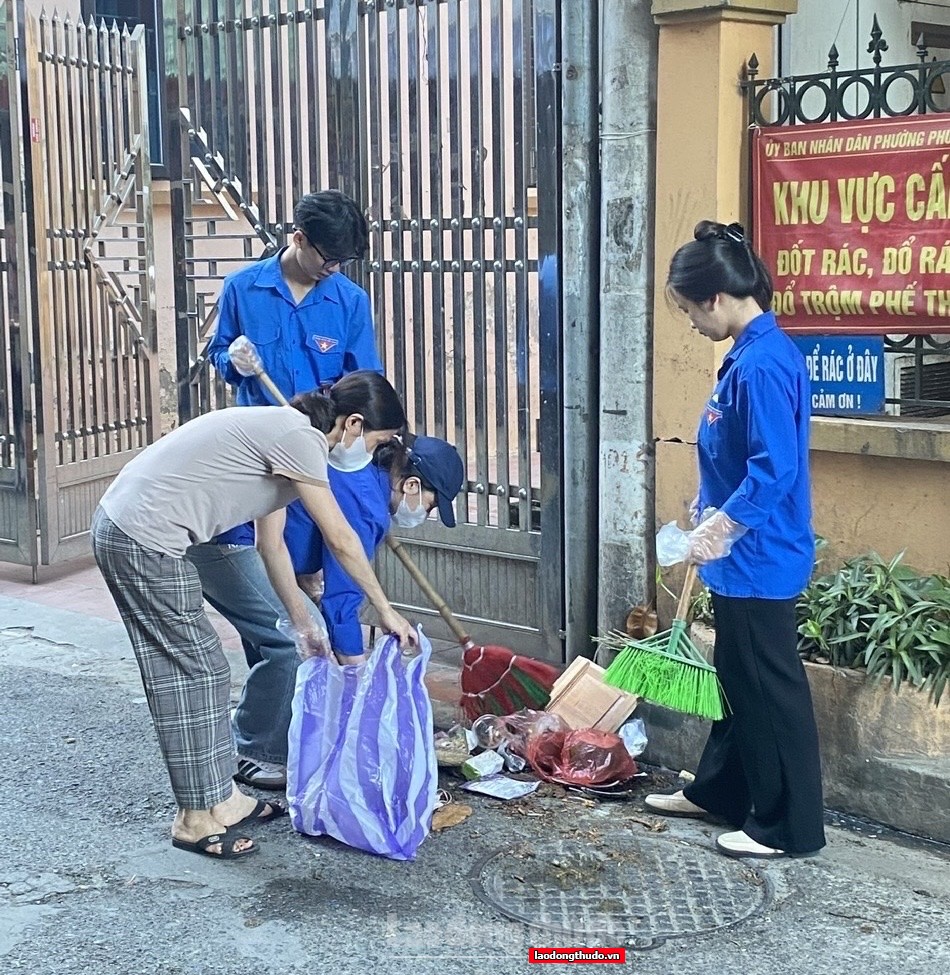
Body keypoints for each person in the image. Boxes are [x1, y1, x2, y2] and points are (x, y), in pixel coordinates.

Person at [90, 371, 416, 861]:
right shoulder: (300, 441)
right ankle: (194, 818)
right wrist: (386, 611)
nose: (375, 452)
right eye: (379, 440)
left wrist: (300, 620)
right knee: (194, 671)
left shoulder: (288, 436)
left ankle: (226, 798)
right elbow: (342, 539)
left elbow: (271, 545)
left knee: (199, 669)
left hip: (149, 533)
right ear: (352, 424)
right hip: (141, 537)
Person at [644, 220, 826, 860]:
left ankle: (787, 828)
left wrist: (722, 526)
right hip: (740, 550)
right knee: (737, 678)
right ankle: (720, 792)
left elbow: (774, 467)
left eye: (691, 309)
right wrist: (707, 503)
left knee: (769, 690)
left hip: (759, 554)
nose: (692, 323)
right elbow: (739, 452)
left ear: (716, 298)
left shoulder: (765, 364)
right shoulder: (747, 357)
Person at [188, 433, 465, 790]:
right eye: (430, 505)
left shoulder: (369, 484)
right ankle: (255, 750)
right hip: (230, 542)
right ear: (411, 484)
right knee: (301, 637)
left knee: (279, 631)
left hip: (228, 537)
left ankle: (257, 724)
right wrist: (360, 673)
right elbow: (342, 596)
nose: (424, 515)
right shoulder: (367, 503)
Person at [206, 188, 382, 405]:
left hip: (322, 434)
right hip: (260, 430)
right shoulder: (240, 288)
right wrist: (233, 361)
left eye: (343, 261)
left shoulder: (352, 301)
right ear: (299, 239)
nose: (335, 269)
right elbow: (218, 352)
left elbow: (364, 381)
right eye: (329, 259)